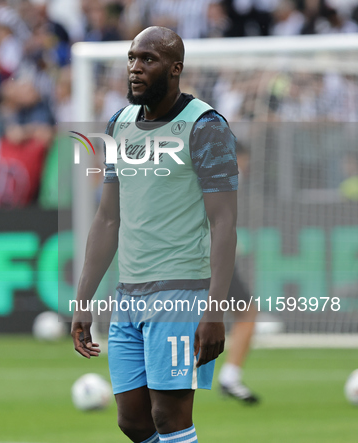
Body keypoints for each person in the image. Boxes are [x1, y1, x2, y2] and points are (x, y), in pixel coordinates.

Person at [71, 27, 238, 443]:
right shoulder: (120, 123)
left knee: (170, 416)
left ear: (175, 68)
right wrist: (83, 300)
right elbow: (107, 218)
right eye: (132, 58)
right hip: (128, 293)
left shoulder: (205, 125)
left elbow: (225, 223)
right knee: (133, 420)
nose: (135, 68)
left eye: (148, 59)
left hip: (182, 291)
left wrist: (215, 310)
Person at [218, 143, 260, 405]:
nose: (245, 168)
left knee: (246, 311)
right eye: (243, 161)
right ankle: (230, 377)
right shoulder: (225, 176)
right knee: (246, 312)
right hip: (209, 255)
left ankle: (230, 376)